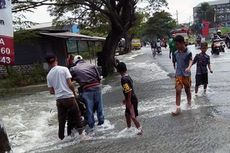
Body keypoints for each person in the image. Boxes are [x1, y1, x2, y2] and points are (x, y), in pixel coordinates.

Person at [46, 53, 87, 140]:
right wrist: (74, 93)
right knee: (77, 116)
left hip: (59, 101)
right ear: (56, 59)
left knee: (61, 121)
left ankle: (61, 138)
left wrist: (58, 90)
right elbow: (70, 84)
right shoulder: (64, 69)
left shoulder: (49, 75)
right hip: (69, 97)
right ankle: (82, 136)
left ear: (48, 63)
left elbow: (51, 91)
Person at [70, 55, 104, 132]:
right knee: (100, 107)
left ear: (75, 62)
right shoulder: (92, 65)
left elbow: (70, 81)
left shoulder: (74, 69)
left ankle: (91, 127)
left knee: (89, 109)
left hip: (87, 90)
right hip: (97, 87)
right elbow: (99, 78)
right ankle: (101, 124)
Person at [116, 62, 143, 135]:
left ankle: (140, 130)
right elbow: (129, 89)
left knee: (132, 116)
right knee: (127, 114)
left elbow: (128, 91)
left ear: (118, 71)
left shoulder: (123, 79)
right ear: (126, 69)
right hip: (133, 98)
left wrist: (128, 101)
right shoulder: (127, 76)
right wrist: (126, 99)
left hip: (131, 99)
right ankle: (129, 128)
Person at [172, 35, 193, 116]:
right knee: (178, 90)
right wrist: (175, 69)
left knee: (187, 90)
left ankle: (189, 103)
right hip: (178, 75)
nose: (176, 46)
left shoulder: (188, 52)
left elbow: (191, 60)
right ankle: (177, 108)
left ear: (182, 43)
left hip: (186, 74)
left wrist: (189, 67)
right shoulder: (175, 53)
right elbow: (174, 62)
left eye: (177, 44)